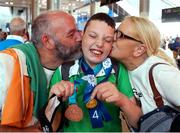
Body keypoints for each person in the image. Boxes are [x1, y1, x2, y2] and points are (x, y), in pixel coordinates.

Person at [49, 13, 141, 132]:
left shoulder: (118, 69)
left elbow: (138, 123)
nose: (99, 44)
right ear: (82, 35)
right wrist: (53, 99)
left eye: (107, 40)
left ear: (112, 43)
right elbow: (51, 126)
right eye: (93, 36)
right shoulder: (64, 70)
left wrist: (121, 100)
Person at [0, 10, 82, 131]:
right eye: (71, 34)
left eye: (78, 31)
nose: (80, 37)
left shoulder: (70, 71)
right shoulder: (7, 63)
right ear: (47, 41)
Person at [99, 16, 180, 120]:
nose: (112, 37)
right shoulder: (121, 69)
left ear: (139, 49)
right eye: (115, 32)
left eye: (120, 35)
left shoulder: (162, 73)